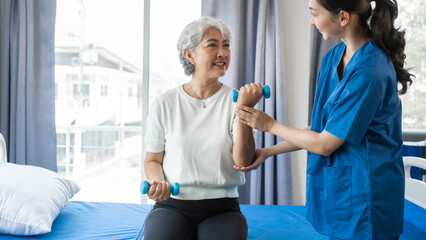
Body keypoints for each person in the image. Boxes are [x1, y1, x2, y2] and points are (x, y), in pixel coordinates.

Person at [235, 0, 414, 239]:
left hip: (368, 193)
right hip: (342, 189)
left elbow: (325, 143)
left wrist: (269, 125)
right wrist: (268, 151)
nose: (311, 21)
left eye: (315, 13)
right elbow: (320, 130)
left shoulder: (370, 71)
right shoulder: (333, 58)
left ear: (343, 17)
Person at [143, 17, 263, 240]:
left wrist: (244, 109)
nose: (222, 52)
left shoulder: (236, 100)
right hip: (172, 206)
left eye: (226, 45)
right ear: (189, 55)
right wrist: (157, 181)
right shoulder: (164, 103)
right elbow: (153, 160)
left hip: (223, 208)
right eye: (212, 45)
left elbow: (244, 161)